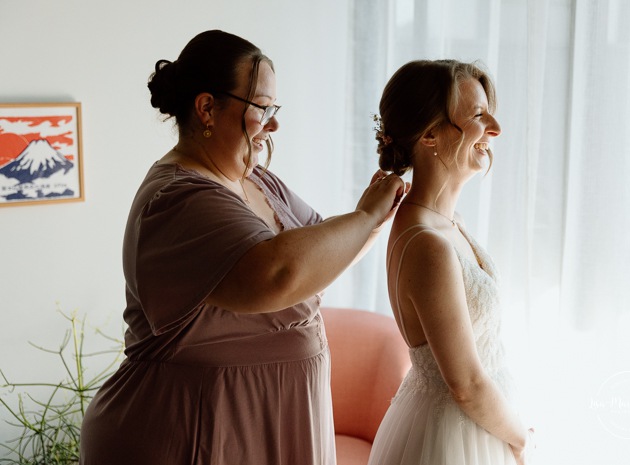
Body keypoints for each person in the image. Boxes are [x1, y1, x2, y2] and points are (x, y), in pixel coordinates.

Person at [79, 30, 405, 465]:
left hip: (273, 422)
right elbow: (276, 276)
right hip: (191, 430)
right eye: (262, 108)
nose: (274, 123)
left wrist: (381, 214)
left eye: (275, 108)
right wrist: (364, 217)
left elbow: (321, 257)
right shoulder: (177, 198)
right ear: (207, 107)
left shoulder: (259, 181)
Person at [366, 60, 535, 465]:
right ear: (429, 135)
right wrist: (521, 438)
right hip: (451, 440)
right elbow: (467, 384)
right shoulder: (427, 245)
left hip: (477, 425)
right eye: (478, 116)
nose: (495, 128)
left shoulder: (446, 222)